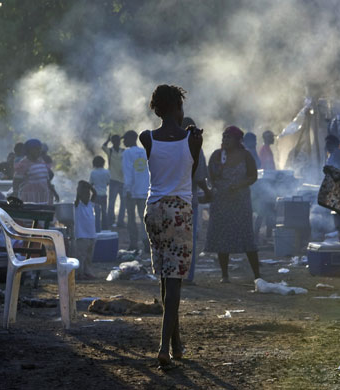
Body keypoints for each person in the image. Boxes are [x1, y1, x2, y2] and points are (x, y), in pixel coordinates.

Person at [139, 84, 202, 367]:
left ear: (156, 108)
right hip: (179, 210)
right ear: (178, 107)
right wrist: (195, 142)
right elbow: (192, 171)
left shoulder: (146, 137)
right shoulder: (191, 140)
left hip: (153, 210)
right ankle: (164, 346)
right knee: (174, 280)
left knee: (165, 276)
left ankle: (176, 344)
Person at [205, 126, 260, 283]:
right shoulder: (217, 155)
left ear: (238, 140)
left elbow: (253, 176)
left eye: (229, 137)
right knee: (223, 238)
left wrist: (239, 185)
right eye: (224, 137)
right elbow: (211, 176)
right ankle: (225, 275)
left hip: (240, 202)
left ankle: (257, 274)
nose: (225, 140)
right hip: (221, 202)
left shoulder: (245, 155)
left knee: (246, 236)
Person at [181, 117, 210, 284]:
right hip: (190, 200)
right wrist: (207, 192)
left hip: (171, 199)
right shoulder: (196, 148)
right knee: (189, 239)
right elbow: (200, 177)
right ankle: (187, 276)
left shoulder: (171, 146)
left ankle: (174, 275)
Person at [122, 130, 150, 252]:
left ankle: (133, 243)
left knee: (132, 219)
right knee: (144, 218)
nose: (123, 141)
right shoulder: (144, 152)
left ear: (131, 139)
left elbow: (128, 172)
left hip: (132, 191)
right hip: (144, 190)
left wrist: (127, 188)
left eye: (125, 139)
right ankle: (147, 243)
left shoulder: (127, 153)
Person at [13, 139, 54, 204]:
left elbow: (47, 180)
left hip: (45, 197)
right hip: (31, 198)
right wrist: (15, 195)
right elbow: (16, 181)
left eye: (39, 149)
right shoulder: (24, 164)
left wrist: (53, 191)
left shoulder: (41, 162)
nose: (39, 151)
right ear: (29, 150)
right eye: (36, 149)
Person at [74, 180, 97, 279]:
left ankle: (87, 272)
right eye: (85, 194)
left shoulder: (90, 204)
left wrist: (90, 187)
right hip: (82, 235)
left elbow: (95, 194)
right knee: (81, 256)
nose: (87, 196)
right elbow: (78, 196)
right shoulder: (78, 205)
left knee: (88, 257)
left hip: (92, 235)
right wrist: (81, 189)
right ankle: (80, 273)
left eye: (88, 194)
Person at [103, 134, 126, 228]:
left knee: (123, 202)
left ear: (120, 141)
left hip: (123, 180)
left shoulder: (124, 151)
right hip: (113, 179)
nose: (117, 142)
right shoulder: (110, 151)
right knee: (112, 201)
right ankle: (110, 221)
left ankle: (120, 221)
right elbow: (103, 146)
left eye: (118, 140)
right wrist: (107, 139)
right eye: (114, 141)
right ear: (112, 142)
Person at [89, 155, 110, 232]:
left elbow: (90, 184)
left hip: (95, 195)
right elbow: (108, 183)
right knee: (104, 212)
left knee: (97, 213)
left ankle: (97, 228)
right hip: (104, 195)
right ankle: (105, 228)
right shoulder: (107, 172)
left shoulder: (93, 172)